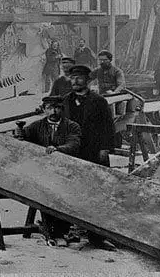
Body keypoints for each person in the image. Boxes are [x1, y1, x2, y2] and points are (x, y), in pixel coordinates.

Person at [63, 64, 117, 250]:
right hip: (72, 153)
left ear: (88, 80)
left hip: (94, 152)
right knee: (70, 191)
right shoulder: (65, 101)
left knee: (97, 193)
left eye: (79, 78)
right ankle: (71, 232)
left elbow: (108, 126)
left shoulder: (99, 101)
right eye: (72, 77)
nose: (75, 81)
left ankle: (98, 237)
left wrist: (105, 148)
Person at [18, 95, 82, 246]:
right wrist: (20, 136)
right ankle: (52, 232)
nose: (53, 111)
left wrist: (58, 149)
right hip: (43, 172)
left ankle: (61, 231)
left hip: (65, 171)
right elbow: (24, 139)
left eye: (57, 108)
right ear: (44, 109)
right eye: (49, 108)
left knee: (64, 194)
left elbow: (74, 144)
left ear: (62, 109)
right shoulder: (36, 126)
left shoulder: (72, 126)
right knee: (44, 191)